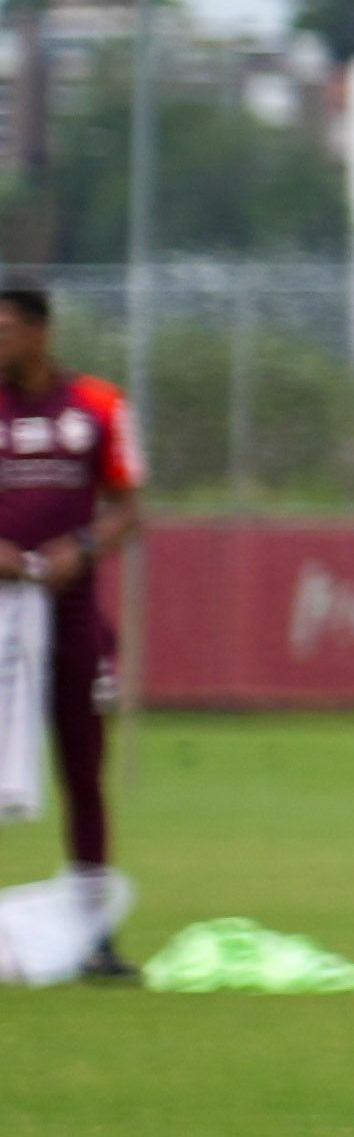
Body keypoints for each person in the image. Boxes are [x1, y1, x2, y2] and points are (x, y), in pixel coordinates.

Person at [0, 284, 139, 978]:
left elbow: (127, 507)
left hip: (73, 612)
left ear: (40, 332)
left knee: (85, 765)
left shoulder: (99, 405)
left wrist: (81, 546)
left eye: (5, 328)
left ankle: (93, 936)